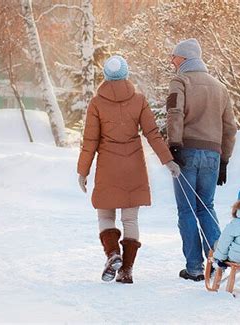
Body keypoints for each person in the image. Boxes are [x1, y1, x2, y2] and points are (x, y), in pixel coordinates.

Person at [77, 55, 180, 284]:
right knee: (130, 218)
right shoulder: (139, 100)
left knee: (105, 214)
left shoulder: (97, 103)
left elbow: (90, 140)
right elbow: (152, 133)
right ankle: (127, 270)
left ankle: (113, 253)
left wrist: (83, 171)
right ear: (126, 74)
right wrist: (168, 161)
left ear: (105, 75)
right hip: (133, 166)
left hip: (108, 167)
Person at [167, 38, 237, 281]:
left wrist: (173, 145)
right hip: (213, 155)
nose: (171, 61)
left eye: (174, 56)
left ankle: (195, 268)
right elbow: (230, 127)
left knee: (186, 209)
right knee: (205, 206)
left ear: (184, 58)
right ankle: (219, 260)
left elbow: (174, 112)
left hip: (186, 151)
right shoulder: (220, 87)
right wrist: (224, 160)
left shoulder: (180, 81)